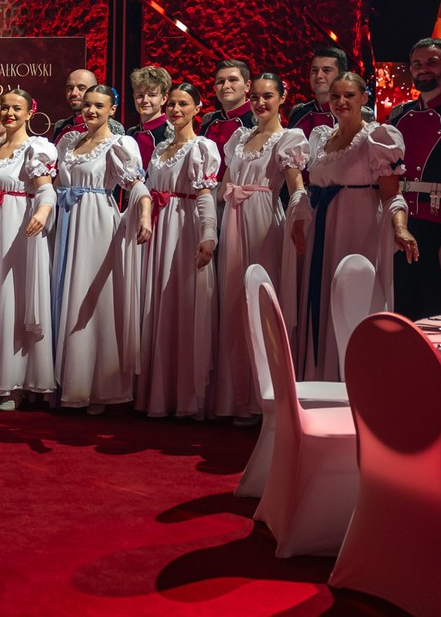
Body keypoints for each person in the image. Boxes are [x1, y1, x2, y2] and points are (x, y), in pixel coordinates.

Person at [289, 72, 416, 381]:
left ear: (363, 98)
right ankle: (322, 378)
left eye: (349, 95)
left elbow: (391, 194)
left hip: (359, 230)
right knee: (323, 296)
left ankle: (359, 381)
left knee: (354, 297)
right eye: (336, 96)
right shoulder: (320, 137)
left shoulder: (377, 138)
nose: (341, 102)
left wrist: (400, 227)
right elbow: (308, 188)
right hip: (322, 230)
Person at [52, 85, 151, 414]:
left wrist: (145, 213)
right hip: (67, 221)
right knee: (65, 294)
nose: (91, 111)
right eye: (87, 105)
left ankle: (97, 388)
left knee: (93, 299)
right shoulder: (69, 142)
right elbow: (55, 185)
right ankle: (68, 381)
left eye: (99, 105)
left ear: (112, 110)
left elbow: (136, 185)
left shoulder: (118, 144)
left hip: (96, 222)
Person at [214, 73, 307, 421]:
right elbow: (223, 187)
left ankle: (263, 399)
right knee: (233, 301)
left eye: (268, 96)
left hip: (263, 222)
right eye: (255, 96)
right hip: (233, 220)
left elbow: (296, 187)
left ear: (282, 98)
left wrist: (300, 219)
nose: (260, 102)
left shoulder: (289, 139)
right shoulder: (239, 138)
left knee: (260, 302)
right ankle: (234, 398)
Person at [137, 83, 220, 419]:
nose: (175, 110)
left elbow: (205, 195)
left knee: (184, 304)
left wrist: (209, 234)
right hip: (159, 229)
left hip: (184, 228)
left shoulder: (202, 148)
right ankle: (159, 395)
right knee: (158, 304)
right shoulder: (160, 148)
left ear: (197, 108)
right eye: (171, 104)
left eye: (183, 104)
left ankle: (186, 398)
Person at [0, 89, 58, 410]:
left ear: (30, 113)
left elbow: (47, 191)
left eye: (17, 108)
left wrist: (42, 211)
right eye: (5, 108)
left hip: (19, 230)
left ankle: (15, 385)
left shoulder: (35, 149)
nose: (9, 113)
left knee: (14, 300)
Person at [388, 38, 441, 319]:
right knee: (401, 307)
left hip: (439, 228)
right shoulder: (398, 115)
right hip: (400, 226)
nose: (423, 69)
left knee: (436, 309)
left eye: (431, 63)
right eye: (417, 64)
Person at [287, 46, 373, 135]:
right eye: (314, 70)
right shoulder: (298, 114)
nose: (319, 75)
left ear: (341, 75)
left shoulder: (358, 114)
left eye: (326, 70)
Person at [200, 59, 254, 180]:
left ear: (247, 86)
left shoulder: (258, 119)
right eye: (220, 82)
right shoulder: (209, 120)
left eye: (233, 80)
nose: (225, 86)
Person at [51, 69, 124, 143]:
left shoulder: (113, 126)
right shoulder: (60, 125)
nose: (74, 93)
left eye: (81, 88)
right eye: (70, 88)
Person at [126, 65, 173, 169]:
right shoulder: (131, 133)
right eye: (140, 95)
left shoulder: (171, 133)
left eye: (152, 95)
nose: (145, 100)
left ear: (164, 98)